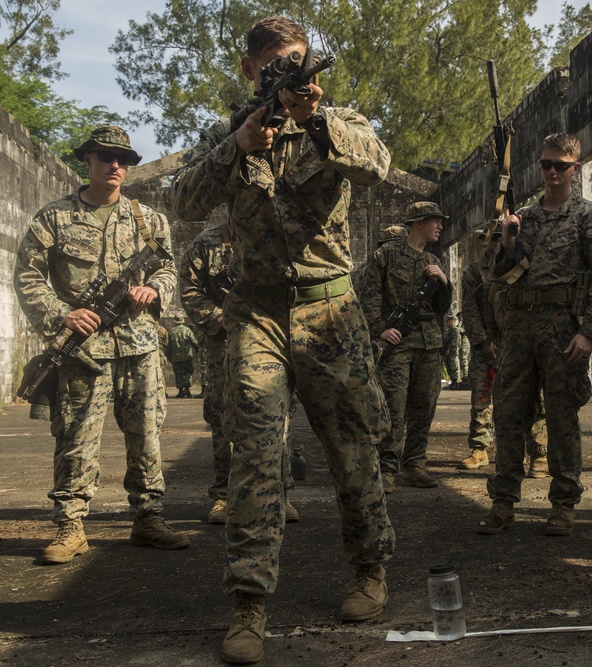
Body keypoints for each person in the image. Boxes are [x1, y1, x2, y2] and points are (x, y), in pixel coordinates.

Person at [171, 15, 394, 664]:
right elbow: (184, 201)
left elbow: (377, 168)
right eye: (273, 65)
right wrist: (239, 144)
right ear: (249, 70)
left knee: (354, 448)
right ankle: (248, 603)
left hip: (330, 309)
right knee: (255, 455)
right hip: (258, 314)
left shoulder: (339, 121)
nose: (286, 74)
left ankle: (370, 569)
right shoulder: (230, 136)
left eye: (295, 62)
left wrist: (317, 120)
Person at [14, 125, 189, 565]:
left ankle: (148, 518)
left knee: (147, 437)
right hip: (83, 350)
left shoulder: (149, 220)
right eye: (107, 157)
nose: (116, 166)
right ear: (87, 160)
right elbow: (28, 277)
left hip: (139, 345)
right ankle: (70, 526)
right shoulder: (54, 218)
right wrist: (62, 314)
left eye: (125, 160)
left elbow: (169, 270)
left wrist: (155, 290)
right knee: (75, 438)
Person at [478, 132, 592, 537]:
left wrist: (590, 333)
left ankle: (563, 505)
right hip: (519, 327)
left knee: (561, 417)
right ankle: (503, 502)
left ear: (576, 168)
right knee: (507, 414)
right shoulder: (524, 218)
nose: (553, 172)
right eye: (546, 164)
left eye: (561, 165)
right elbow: (494, 276)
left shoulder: (589, 218)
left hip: (562, 328)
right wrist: (506, 243)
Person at [178, 222, 299, 524]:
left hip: (271, 339)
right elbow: (190, 291)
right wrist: (226, 319)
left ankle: (281, 493)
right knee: (222, 417)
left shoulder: (278, 236)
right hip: (223, 343)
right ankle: (224, 496)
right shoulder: (205, 243)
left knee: (277, 415)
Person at [359, 201, 453, 492]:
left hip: (429, 343)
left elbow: (441, 307)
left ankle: (415, 465)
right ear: (417, 223)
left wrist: (444, 282)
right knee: (393, 408)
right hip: (399, 342)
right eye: (434, 221)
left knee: (424, 406)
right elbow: (368, 297)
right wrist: (380, 330)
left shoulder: (434, 261)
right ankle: (387, 469)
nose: (439, 226)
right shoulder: (385, 255)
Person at [459, 228, 549, 477]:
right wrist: (482, 341)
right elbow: (470, 310)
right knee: (482, 395)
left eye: (503, 237)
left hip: (518, 342)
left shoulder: (524, 265)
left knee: (532, 398)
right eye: (494, 238)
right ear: (484, 241)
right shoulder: (473, 273)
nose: (499, 242)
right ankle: (479, 448)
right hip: (486, 345)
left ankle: (539, 454)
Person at [167, 319, 199, 398]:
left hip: (176, 357)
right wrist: (197, 349)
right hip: (187, 356)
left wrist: (170, 357)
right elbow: (194, 341)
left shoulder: (171, 331)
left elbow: (168, 346)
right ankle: (187, 390)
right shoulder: (187, 330)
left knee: (178, 373)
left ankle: (180, 391)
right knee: (188, 372)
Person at [442, 314, 463, 389]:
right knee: (449, 366)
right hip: (449, 351)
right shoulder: (450, 330)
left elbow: (455, 341)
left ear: (452, 322)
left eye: (448, 321)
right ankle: (453, 382)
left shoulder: (454, 330)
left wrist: (449, 349)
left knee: (453, 366)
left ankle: (455, 382)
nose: (447, 323)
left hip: (452, 351)